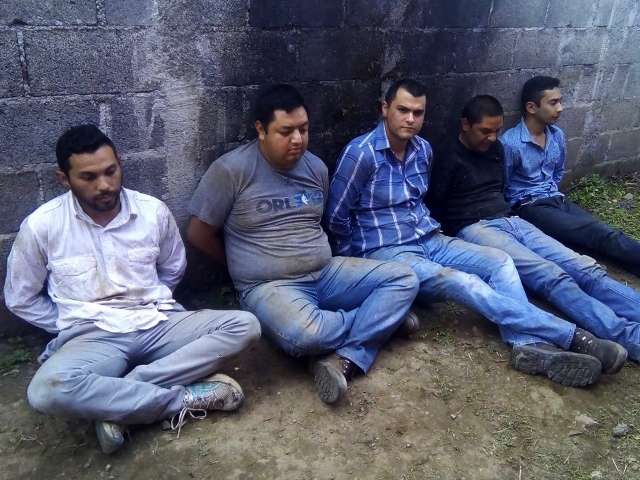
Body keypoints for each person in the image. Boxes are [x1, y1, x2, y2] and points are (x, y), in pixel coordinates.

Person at [324, 78, 625, 388]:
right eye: (403, 110)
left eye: (419, 112)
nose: (411, 119)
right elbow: (336, 216)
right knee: (464, 281)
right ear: (385, 109)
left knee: (500, 261)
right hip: (389, 252)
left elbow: (421, 202)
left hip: (431, 239)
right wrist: (362, 267)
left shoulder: (423, 151)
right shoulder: (361, 154)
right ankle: (575, 337)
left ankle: (527, 345)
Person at [4, 125, 261, 455]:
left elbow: (172, 268)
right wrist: (68, 323)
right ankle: (180, 399)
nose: (104, 184)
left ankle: (122, 397)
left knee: (245, 326)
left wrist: (153, 306)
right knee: (45, 392)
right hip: (93, 337)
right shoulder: (43, 226)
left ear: (120, 163)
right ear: (63, 179)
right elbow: (20, 297)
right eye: (88, 177)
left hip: (157, 324)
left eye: (111, 171)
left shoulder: (152, 212)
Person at [187, 84, 419, 405]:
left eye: (304, 129)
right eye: (286, 131)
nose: (298, 139)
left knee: (404, 279)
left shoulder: (316, 168)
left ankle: (351, 348)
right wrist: (236, 265)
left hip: (326, 273)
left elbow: (318, 220)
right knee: (308, 335)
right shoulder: (231, 171)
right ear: (261, 130)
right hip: (269, 286)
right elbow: (198, 233)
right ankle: (381, 322)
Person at [427, 94, 640, 366]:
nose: (492, 138)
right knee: (551, 275)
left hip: (512, 219)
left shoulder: (496, 150)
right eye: (485, 131)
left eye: (497, 131)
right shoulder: (446, 155)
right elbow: (434, 204)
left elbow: (501, 188)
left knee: (582, 267)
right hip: (474, 228)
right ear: (465, 124)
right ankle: (628, 336)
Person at [501, 75, 640, 277]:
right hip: (530, 207)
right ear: (531, 107)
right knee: (600, 233)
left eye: (560, 101)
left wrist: (554, 194)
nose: (560, 108)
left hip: (557, 199)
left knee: (599, 236)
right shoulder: (510, 143)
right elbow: (502, 183)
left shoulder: (556, 135)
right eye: (553, 102)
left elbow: (557, 171)